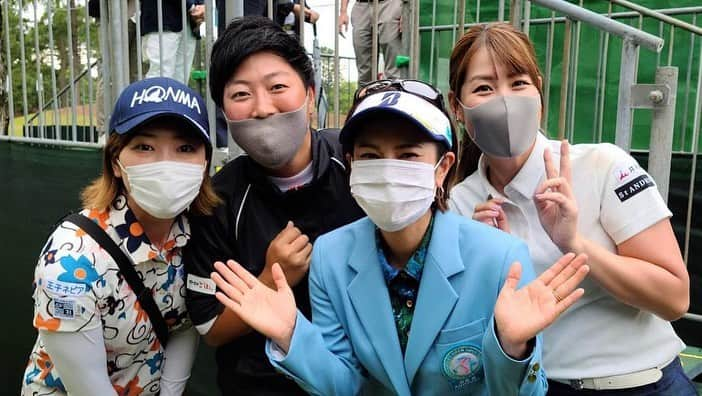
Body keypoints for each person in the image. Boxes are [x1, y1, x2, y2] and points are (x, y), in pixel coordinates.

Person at [210, 79, 590, 395]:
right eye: (371, 157)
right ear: (352, 165)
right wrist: (292, 335)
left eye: (407, 155)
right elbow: (344, 386)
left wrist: (512, 346)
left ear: (443, 168)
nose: (388, 170)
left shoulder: (499, 257)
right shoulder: (330, 255)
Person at [447, 23, 695, 395]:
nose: (504, 100)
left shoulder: (603, 166)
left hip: (644, 382)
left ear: (539, 92)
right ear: (457, 107)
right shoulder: (459, 204)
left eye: (518, 83)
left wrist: (574, 242)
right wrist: (490, 267)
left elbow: (674, 298)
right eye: (484, 88)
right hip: (540, 385)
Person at [184, 16, 364, 396]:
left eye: (278, 86)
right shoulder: (216, 201)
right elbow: (210, 329)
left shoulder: (356, 166)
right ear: (224, 112)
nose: (262, 108)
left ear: (310, 95)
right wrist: (268, 279)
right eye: (241, 94)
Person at [21, 77, 219, 396]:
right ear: (116, 161)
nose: (165, 164)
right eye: (144, 146)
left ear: (205, 162)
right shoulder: (71, 262)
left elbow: (184, 324)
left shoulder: (201, 234)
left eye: (185, 148)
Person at [339, 0, 404, 85]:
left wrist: (405, 11)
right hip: (361, 6)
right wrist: (343, 11)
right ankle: (367, 96)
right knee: (364, 74)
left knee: (393, 72)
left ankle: (395, 95)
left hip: (390, 4)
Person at [141, 0, 205, 83]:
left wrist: (201, 6)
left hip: (188, 22)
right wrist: (193, 7)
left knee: (181, 81)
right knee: (159, 79)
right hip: (162, 17)